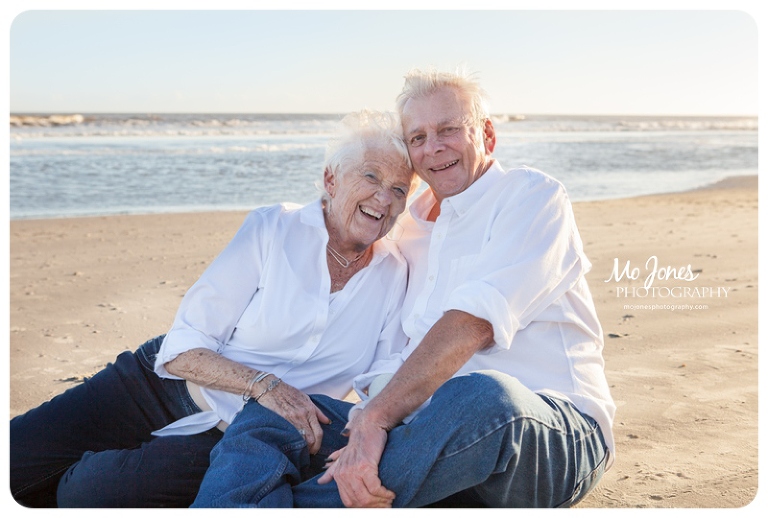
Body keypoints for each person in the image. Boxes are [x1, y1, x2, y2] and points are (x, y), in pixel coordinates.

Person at [192, 68, 615, 508]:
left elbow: (474, 323)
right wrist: (361, 420)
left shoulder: (531, 196)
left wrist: (373, 419)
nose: (433, 147)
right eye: (418, 137)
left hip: (549, 431)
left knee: (484, 394)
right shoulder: (408, 226)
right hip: (421, 427)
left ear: (487, 135)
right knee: (272, 417)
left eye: (449, 130)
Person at [10, 109, 417, 508]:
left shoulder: (394, 272)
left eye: (399, 189)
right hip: (158, 385)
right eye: (370, 176)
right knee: (14, 457)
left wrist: (367, 436)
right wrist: (265, 385)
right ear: (332, 178)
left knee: (85, 493)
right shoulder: (273, 228)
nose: (383, 197)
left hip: (235, 438)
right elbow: (184, 346)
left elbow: (381, 380)